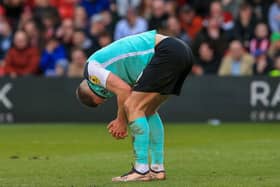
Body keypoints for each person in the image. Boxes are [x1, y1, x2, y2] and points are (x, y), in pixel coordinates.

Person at [76, 30, 193, 182]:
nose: (106, 96)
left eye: (102, 97)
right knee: (148, 110)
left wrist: (121, 121)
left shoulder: (90, 69)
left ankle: (141, 169)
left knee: (133, 107)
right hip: (181, 50)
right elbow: (123, 91)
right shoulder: (114, 70)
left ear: (92, 88)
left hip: (165, 51)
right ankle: (157, 168)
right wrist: (121, 117)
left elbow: (123, 91)